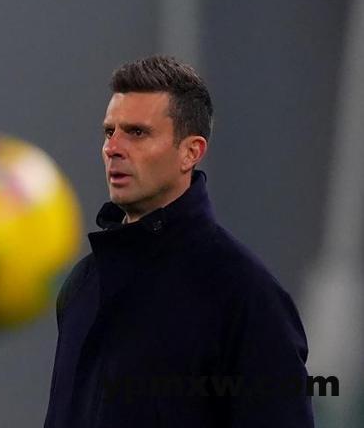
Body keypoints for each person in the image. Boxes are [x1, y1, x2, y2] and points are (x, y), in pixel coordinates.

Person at [43, 55, 314, 427]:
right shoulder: (83, 284)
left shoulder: (244, 294)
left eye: (137, 132)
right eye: (109, 131)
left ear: (191, 152)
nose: (113, 148)